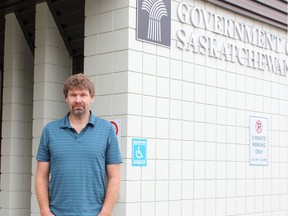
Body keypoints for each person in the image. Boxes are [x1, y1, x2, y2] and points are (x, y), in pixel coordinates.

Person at [35, 73, 122, 216]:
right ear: (66, 99)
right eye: (73, 95)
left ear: (92, 98)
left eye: (83, 94)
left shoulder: (107, 130)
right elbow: (41, 176)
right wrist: (45, 211)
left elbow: (114, 176)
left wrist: (106, 212)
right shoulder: (50, 131)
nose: (78, 99)